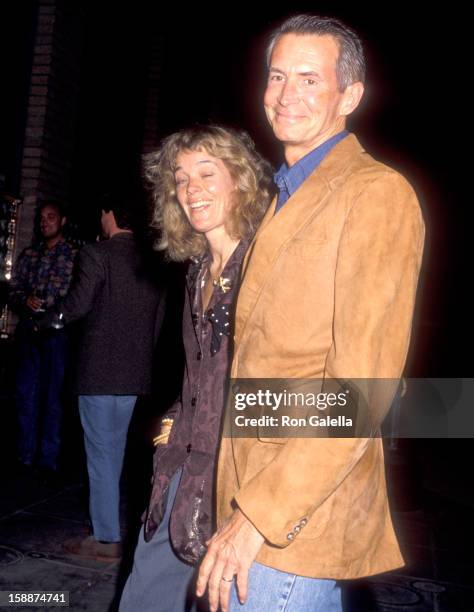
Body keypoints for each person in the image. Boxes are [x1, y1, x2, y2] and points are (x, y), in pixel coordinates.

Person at [196, 15, 425, 612]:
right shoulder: (285, 194)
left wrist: (257, 517)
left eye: (309, 79)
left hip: (292, 524)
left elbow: (363, 392)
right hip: (253, 497)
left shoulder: (375, 193)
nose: (286, 95)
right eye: (277, 77)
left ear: (349, 95)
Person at [118, 126, 272, 611]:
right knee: (144, 595)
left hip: (244, 473)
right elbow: (197, 374)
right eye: (181, 179)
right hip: (184, 466)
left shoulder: (267, 261)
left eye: (207, 173)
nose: (191, 189)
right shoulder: (198, 270)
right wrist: (174, 420)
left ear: (241, 181)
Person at [40, 202, 165, 560]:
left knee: (100, 454)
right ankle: (110, 524)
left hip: (97, 372)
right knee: (115, 450)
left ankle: (105, 535)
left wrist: (46, 320)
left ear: (109, 214)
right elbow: (158, 319)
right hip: (133, 372)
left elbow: (77, 305)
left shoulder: (97, 253)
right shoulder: (151, 260)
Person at [8, 201, 76, 477]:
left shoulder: (74, 255)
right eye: (42, 218)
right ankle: (24, 455)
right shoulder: (29, 254)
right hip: (29, 333)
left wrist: (53, 307)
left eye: (51, 217)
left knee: (53, 397)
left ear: (62, 221)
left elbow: (79, 296)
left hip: (57, 334)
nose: (45, 222)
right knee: (25, 394)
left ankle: (49, 459)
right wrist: (25, 299)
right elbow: (13, 289)